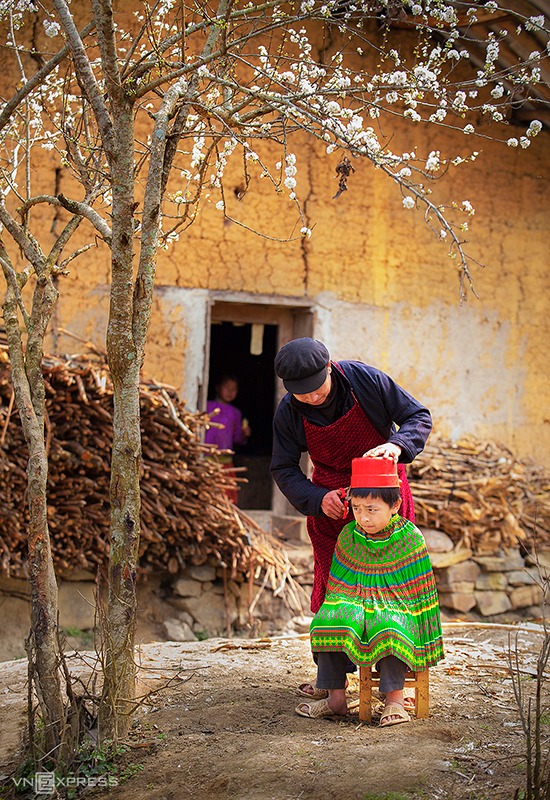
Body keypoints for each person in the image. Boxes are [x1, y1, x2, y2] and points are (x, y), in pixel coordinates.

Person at [271, 337, 431, 697]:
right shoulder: (289, 411)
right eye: (301, 393)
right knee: (333, 594)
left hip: (384, 499)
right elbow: (282, 467)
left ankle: (393, 684)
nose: (311, 397)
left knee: (394, 595)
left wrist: (397, 445)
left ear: (329, 368)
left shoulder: (366, 381)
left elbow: (417, 416)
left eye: (315, 388)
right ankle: (333, 684)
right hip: (333, 505)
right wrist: (316, 498)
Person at [295, 456, 444, 726]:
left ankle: (395, 700)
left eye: (372, 509)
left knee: (388, 624)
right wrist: (353, 605)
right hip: (353, 601)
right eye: (356, 508)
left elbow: (419, 594)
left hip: (400, 607)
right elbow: (337, 587)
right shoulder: (348, 536)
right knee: (330, 617)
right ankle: (335, 699)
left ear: (395, 505)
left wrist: (382, 606)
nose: (363, 517)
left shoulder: (411, 539)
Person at [205, 374, 251, 504]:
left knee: (227, 496)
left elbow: (237, 439)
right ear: (218, 388)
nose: (230, 392)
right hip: (206, 458)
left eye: (234, 389)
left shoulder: (235, 413)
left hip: (225, 461)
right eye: (227, 387)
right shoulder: (206, 406)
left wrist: (244, 434)